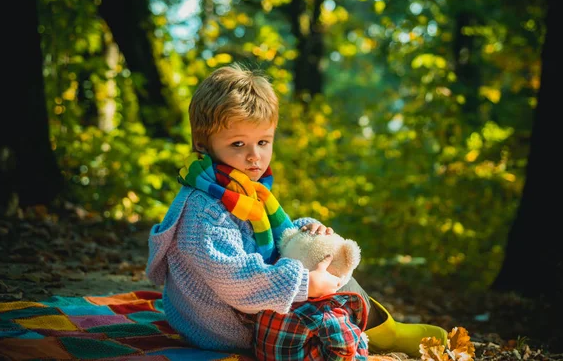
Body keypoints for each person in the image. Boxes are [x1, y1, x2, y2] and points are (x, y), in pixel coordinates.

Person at [146, 63, 447, 357]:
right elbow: (232, 278)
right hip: (223, 327)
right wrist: (304, 284)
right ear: (203, 143)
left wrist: (305, 232)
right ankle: (372, 332)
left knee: (324, 256)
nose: (254, 156)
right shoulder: (204, 209)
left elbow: (271, 238)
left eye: (263, 141)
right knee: (321, 301)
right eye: (238, 144)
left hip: (244, 308)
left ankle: (381, 327)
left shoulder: (243, 190)